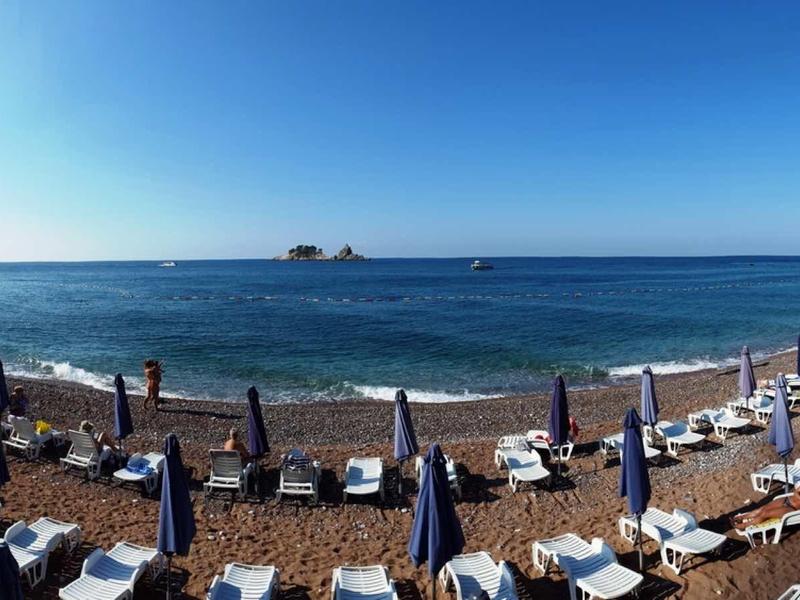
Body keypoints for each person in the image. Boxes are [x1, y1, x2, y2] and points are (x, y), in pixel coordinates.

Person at [731, 487, 800, 530]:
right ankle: (742, 517)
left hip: (791, 508)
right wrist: (797, 495)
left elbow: (797, 493)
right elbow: (795, 491)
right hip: (787, 499)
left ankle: (744, 525)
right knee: (762, 509)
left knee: (765, 513)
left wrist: (797, 495)